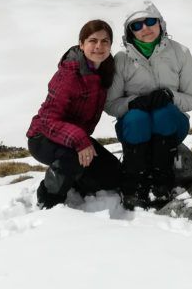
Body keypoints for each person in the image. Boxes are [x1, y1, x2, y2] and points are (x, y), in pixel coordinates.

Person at [105, 1, 192, 209]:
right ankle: (134, 184)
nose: (145, 29)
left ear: (160, 23)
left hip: (171, 124)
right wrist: (133, 103)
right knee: (137, 117)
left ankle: (162, 181)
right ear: (129, 32)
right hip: (134, 127)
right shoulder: (121, 60)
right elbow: (110, 104)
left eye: (150, 21)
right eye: (137, 25)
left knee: (162, 114)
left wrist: (170, 96)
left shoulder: (180, 53)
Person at [26, 19, 122, 209]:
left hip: (76, 138)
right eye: (92, 41)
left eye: (105, 41)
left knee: (113, 176)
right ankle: (49, 196)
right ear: (81, 44)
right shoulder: (69, 74)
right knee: (72, 160)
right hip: (43, 138)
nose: (98, 46)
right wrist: (80, 140)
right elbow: (48, 120)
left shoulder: (106, 68)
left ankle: (76, 180)